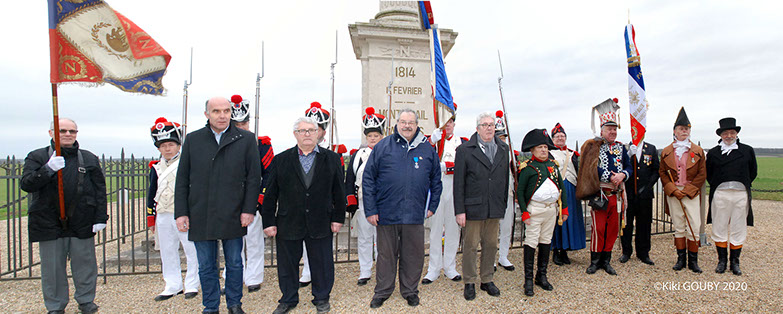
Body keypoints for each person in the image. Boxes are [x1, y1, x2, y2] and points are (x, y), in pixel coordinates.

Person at [175, 97, 261, 314]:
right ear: (207, 114)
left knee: (234, 263)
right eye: (216, 111)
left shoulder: (246, 139)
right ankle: (211, 306)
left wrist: (248, 209)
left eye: (226, 111)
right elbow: (182, 178)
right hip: (201, 211)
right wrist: (181, 212)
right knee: (206, 265)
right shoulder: (193, 140)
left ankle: (234, 304)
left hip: (233, 211)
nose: (222, 115)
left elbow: (253, 178)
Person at [21, 118, 107, 314]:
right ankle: (55, 306)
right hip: (48, 220)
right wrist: (48, 169)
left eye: (72, 131)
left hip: (82, 219)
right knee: (52, 268)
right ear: (51, 133)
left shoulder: (89, 158)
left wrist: (101, 217)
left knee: (85, 265)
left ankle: (86, 301)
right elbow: (26, 184)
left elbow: (99, 190)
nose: (68, 134)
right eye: (62, 131)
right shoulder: (37, 157)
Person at [261, 116, 346, 314]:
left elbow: (339, 192)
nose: (307, 134)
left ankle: (322, 297)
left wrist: (338, 218)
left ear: (318, 133)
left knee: (322, 263)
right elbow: (270, 194)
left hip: (321, 221)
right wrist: (268, 221)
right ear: (295, 134)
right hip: (288, 221)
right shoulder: (280, 160)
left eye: (311, 130)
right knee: (287, 264)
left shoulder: (332, 159)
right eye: (302, 131)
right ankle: (288, 299)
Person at [362, 109, 442, 309]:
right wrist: (371, 210)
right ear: (397, 124)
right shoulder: (383, 146)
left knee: (413, 255)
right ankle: (382, 291)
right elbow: (368, 179)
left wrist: (432, 206)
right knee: (386, 256)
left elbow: (436, 180)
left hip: (415, 213)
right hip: (386, 212)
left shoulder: (427, 149)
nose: (407, 126)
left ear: (417, 125)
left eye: (411, 122)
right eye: (403, 122)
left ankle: (410, 291)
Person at [218, 95, 274, 293]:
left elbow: (269, 175)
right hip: (229, 203)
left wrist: (259, 198)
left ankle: (254, 278)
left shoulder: (261, 145)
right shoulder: (221, 144)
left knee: (254, 242)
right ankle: (233, 277)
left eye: (244, 123)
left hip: (252, 202)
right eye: (237, 124)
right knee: (232, 244)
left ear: (249, 123)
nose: (241, 127)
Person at [453, 112, 509, 300]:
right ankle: (469, 281)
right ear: (477, 128)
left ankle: (487, 279)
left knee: (491, 245)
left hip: (494, 206)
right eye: (484, 125)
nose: (488, 128)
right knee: (470, 246)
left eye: (491, 125)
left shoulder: (503, 148)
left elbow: (504, 179)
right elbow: (459, 183)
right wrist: (460, 210)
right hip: (473, 207)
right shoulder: (464, 150)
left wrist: (502, 204)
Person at [145, 117, 199, 301]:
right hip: (163, 214)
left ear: (178, 145)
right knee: (167, 251)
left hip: (183, 213)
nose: (167, 149)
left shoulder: (188, 163)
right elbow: (152, 193)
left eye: (171, 144)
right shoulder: (155, 167)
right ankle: (172, 285)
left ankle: (192, 283)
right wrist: (151, 217)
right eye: (163, 146)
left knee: (191, 250)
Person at [575, 98, 631, 276]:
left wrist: (623, 175)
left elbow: (628, 166)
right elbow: (590, 167)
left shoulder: (621, 148)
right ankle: (595, 261)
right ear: (602, 130)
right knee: (598, 228)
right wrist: (610, 176)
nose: (613, 132)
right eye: (609, 129)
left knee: (613, 229)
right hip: (600, 194)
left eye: (615, 129)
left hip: (617, 195)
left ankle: (606, 261)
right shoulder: (594, 146)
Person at [517, 128, 568, 296]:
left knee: (546, 241)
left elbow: (561, 188)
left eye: (545, 147)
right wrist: (524, 212)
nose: (544, 150)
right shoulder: (528, 168)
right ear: (532, 150)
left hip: (551, 210)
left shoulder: (553, 166)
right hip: (535, 210)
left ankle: (541, 276)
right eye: (540, 147)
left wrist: (564, 208)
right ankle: (528, 280)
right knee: (531, 242)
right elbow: (520, 192)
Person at [659, 107, 707, 273]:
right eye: (681, 128)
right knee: (679, 225)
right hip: (674, 193)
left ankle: (693, 261)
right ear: (675, 131)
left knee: (694, 225)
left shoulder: (698, 151)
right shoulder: (666, 152)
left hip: (691, 192)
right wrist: (673, 189)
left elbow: (702, 174)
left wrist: (687, 191)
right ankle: (681, 259)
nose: (684, 131)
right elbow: (662, 173)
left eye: (687, 129)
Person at [706, 117, 757, 275]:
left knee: (738, 227)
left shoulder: (747, 150)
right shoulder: (713, 153)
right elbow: (709, 173)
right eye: (725, 133)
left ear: (736, 134)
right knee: (719, 226)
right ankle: (722, 261)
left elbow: (753, 172)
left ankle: (735, 262)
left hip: (740, 194)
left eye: (732, 132)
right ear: (721, 135)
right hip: (720, 193)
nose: (729, 136)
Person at [344, 107, 386, 286]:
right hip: (363, 201)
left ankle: (383, 271)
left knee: (382, 239)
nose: (373, 138)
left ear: (382, 136)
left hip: (383, 202)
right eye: (370, 135)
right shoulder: (357, 155)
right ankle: (365, 271)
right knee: (364, 237)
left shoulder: (388, 153)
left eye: (376, 135)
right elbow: (350, 179)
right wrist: (351, 202)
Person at [422, 116, 464, 285]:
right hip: (436, 187)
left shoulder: (461, 142)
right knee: (435, 229)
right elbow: (422, 157)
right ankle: (433, 268)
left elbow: (466, 164)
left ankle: (450, 266)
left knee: (453, 228)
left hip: (454, 187)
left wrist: (449, 166)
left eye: (450, 122)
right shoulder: (432, 141)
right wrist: (431, 142)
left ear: (454, 123)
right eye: (445, 122)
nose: (448, 125)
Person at [549, 123, 586, 266]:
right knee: (556, 220)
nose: (560, 138)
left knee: (569, 219)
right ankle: (556, 250)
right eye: (557, 136)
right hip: (556, 190)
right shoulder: (549, 154)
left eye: (562, 136)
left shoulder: (573, 154)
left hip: (571, 190)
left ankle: (565, 250)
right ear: (552, 139)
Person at [619, 135, 659, 266]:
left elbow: (656, 170)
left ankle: (643, 253)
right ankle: (626, 252)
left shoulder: (651, 148)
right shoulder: (624, 149)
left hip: (645, 195)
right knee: (627, 224)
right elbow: (620, 167)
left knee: (644, 225)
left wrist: (648, 187)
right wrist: (629, 155)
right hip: (629, 194)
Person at [494, 110, 519, 271]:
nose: (501, 140)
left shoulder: (511, 153)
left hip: (508, 193)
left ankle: (503, 256)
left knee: (506, 226)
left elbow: (515, 174)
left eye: (503, 137)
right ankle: (490, 258)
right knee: (491, 228)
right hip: (493, 195)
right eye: (499, 137)